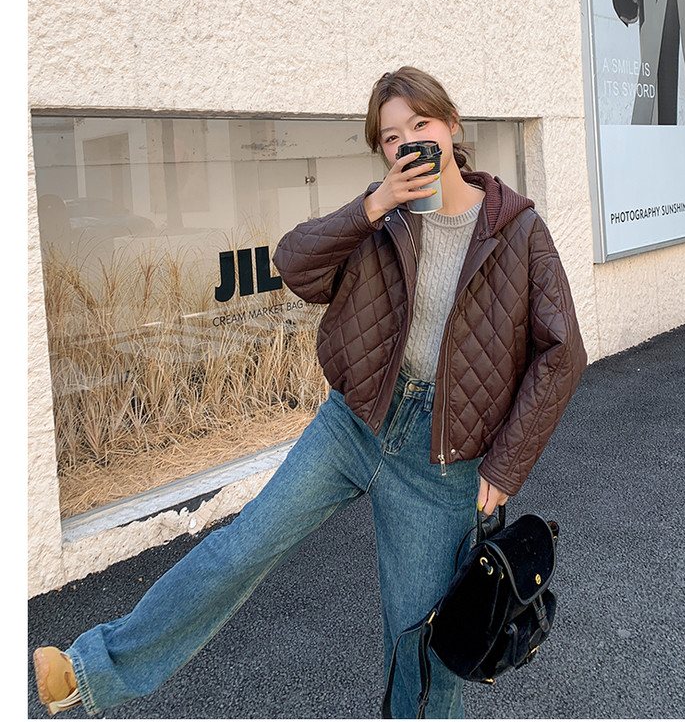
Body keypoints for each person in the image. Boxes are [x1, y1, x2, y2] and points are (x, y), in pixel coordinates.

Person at [33, 66, 587, 718]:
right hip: (353, 424)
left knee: (421, 644)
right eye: (391, 136)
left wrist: (506, 464)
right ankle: (88, 670)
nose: (409, 142)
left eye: (421, 124)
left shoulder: (517, 228)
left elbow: (562, 353)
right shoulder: (380, 217)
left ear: (453, 126)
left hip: (443, 461)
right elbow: (294, 264)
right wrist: (371, 207)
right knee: (241, 547)